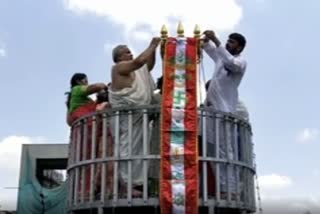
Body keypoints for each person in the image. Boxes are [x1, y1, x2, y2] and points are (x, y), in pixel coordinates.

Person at [108, 37, 161, 196]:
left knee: (140, 150)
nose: (130, 54)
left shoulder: (136, 70)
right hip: (127, 117)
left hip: (140, 117)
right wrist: (152, 44)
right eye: (126, 52)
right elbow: (140, 61)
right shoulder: (118, 68)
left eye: (130, 51)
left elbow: (147, 65)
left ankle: (137, 184)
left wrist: (155, 50)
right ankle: (126, 185)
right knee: (128, 148)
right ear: (118, 57)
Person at [202, 30, 247, 199]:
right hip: (212, 111)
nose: (228, 44)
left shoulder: (240, 62)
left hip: (224, 111)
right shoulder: (222, 57)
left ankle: (233, 190)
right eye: (227, 41)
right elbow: (212, 50)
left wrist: (216, 40)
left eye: (232, 42)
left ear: (240, 47)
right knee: (214, 152)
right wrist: (206, 41)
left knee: (226, 152)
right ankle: (223, 188)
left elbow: (231, 63)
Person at [66, 73, 107, 199]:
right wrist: (104, 87)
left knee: (87, 162)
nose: (87, 83)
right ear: (79, 81)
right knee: (90, 162)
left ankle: (85, 191)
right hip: (88, 131)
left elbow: (69, 121)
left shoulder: (75, 100)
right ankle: (87, 192)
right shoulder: (77, 90)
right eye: (85, 80)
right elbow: (98, 86)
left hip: (83, 133)